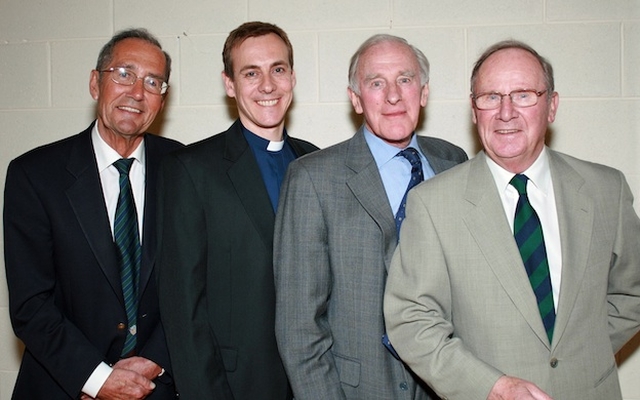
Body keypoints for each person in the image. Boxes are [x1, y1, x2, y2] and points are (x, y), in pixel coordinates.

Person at [384, 39, 640, 400]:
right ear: (474, 111)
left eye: (523, 95)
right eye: (490, 97)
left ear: (551, 106)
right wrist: (490, 386)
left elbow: (632, 293)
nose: (506, 112)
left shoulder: (605, 190)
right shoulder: (433, 203)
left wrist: (581, 354)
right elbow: (411, 319)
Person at [274, 34, 467, 399]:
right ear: (356, 99)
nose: (393, 95)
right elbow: (299, 327)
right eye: (376, 83)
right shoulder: (313, 178)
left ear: (423, 93)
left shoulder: (454, 163)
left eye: (405, 80)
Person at [3, 28, 182, 399]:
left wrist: (152, 361)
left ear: (162, 100)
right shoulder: (34, 175)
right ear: (94, 83)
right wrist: (97, 378)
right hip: (65, 386)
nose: (136, 92)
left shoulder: (186, 169)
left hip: (158, 385)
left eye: (153, 82)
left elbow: (199, 287)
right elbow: (31, 304)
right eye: (124, 74)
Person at [156, 21, 318, 399]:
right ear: (229, 84)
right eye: (251, 73)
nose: (267, 85)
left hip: (314, 382)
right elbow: (183, 308)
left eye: (277, 69)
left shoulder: (315, 160)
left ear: (292, 77)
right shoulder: (191, 169)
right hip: (235, 385)